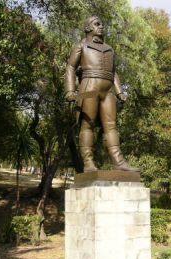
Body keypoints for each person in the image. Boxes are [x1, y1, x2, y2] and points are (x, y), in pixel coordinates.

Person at [65, 15, 133, 172]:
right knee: (87, 125)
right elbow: (70, 67)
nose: (101, 26)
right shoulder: (81, 46)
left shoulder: (109, 49)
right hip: (90, 86)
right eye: (97, 24)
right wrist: (69, 90)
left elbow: (113, 71)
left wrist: (119, 91)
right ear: (88, 28)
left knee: (111, 125)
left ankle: (118, 160)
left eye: (101, 24)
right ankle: (88, 162)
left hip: (108, 89)